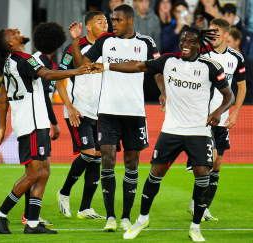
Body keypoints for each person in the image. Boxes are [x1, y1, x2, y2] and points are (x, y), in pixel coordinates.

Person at [90, 25, 234, 241]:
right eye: (183, 40)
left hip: (199, 131)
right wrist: (107, 66)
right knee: (155, 174)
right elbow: (137, 65)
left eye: (191, 42)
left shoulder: (210, 66)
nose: (186, 44)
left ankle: (195, 227)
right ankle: (142, 219)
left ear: (198, 44)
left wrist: (219, 111)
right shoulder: (168, 61)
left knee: (203, 176)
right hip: (171, 130)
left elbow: (229, 95)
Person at [0, 28, 89, 234]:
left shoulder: (9, 61)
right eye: (11, 32)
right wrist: (78, 71)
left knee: (43, 172)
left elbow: (3, 95)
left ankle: (33, 223)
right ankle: (0, 214)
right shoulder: (23, 58)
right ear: (11, 44)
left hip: (31, 121)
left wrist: (2, 126)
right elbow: (48, 74)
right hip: (32, 123)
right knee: (33, 174)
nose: (16, 30)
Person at [69, 4, 161, 232]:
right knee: (107, 161)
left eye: (117, 20)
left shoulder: (146, 43)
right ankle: (111, 217)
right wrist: (75, 41)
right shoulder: (105, 42)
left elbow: (156, 69)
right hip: (108, 111)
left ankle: (126, 218)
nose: (112, 24)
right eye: (112, 20)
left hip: (135, 112)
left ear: (130, 21)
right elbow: (81, 65)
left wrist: (164, 91)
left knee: (132, 165)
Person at [187, 19, 246, 221]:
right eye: (210, 31)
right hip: (203, 117)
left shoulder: (236, 58)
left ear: (226, 35)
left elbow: (242, 88)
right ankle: (197, 204)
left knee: (218, 163)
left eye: (216, 31)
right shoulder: (202, 55)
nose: (212, 34)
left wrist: (235, 113)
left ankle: (202, 206)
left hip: (223, 118)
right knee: (208, 160)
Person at [56, 11, 108, 220]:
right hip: (79, 110)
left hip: (102, 112)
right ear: (88, 26)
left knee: (97, 158)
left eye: (106, 21)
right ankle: (64, 192)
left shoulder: (110, 47)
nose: (105, 25)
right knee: (89, 153)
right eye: (100, 21)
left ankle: (85, 207)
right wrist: (69, 106)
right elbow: (60, 79)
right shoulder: (74, 48)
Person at [21, 22, 66, 227]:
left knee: (38, 171)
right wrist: (54, 123)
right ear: (57, 44)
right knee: (38, 171)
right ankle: (26, 215)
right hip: (34, 122)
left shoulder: (43, 61)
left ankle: (30, 215)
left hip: (37, 121)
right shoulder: (39, 63)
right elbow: (45, 99)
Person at [227, 29, 253, 103]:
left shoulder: (247, 62)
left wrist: (243, 104)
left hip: (241, 106)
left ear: (237, 41)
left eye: (228, 41)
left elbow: (250, 86)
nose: (226, 44)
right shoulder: (222, 60)